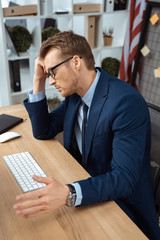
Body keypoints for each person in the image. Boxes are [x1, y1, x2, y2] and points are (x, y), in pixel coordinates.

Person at [13, 31, 160, 239]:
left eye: (52, 72)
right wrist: (38, 80)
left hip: (121, 208)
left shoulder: (125, 103)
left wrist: (69, 193)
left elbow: (125, 179)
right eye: (48, 74)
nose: (51, 81)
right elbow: (43, 130)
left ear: (75, 62)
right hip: (86, 187)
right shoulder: (75, 95)